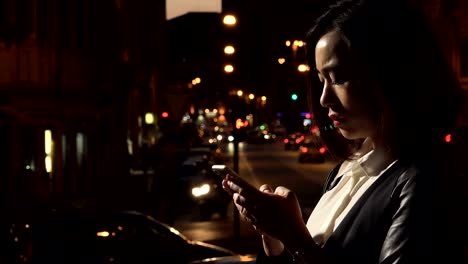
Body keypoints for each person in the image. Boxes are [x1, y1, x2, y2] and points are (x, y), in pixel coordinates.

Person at [222, 0, 466, 263]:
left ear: (393, 74)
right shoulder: (345, 172)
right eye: (321, 80)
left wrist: (294, 236)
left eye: (338, 77)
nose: (324, 99)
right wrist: (275, 240)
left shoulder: (427, 180)